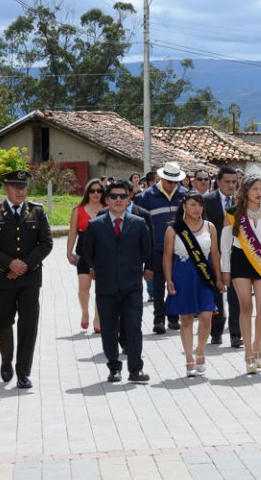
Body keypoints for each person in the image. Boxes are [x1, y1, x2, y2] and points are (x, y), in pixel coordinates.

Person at [0, 170, 53, 389]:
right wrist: (9, 263)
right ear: (6, 189)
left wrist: (24, 265)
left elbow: (46, 243)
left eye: (23, 187)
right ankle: (6, 359)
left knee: (28, 325)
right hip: (3, 278)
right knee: (0, 322)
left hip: (30, 279)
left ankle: (23, 372)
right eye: (15, 187)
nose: (20, 191)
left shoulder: (37, 211)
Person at [83, 180, 151, 383]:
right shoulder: (95, 225)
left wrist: (135, 268)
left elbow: (145, 250)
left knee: (133, 326)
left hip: (132, 285)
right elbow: (87, 252)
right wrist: (101, 268)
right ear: (107, 200)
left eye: (123, 196)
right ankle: (114, 367)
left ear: (129, 198)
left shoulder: (139, 223)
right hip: (106, 285)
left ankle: (135, 369)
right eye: (114, 196)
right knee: (109, 327)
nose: (118, 200)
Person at [220, 170, 261, 374]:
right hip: (240, 262)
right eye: (254, 188)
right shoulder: (233, 212)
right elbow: (226, 246)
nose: (258, 192)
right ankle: (248, 352)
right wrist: (225, 270)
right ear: (245, 190)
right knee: (245, 306)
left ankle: (257, 345)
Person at [163, 192, 224, 377]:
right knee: (187, 318)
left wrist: (219, 278)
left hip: (204, 277)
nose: (197, 209)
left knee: (207, 317)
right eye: (192, 205)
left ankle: (200, 350)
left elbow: (214, 254)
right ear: (184, 206)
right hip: (182, 276)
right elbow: (167, 256)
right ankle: (189, 357)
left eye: (199, 205)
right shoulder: (173, 229)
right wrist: (168, 279)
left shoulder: (210, 226)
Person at [134, 162, 188, 334]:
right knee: (158, 285)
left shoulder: (185, 196)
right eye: (169, 181)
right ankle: (159, 320)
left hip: (180, 248)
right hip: (156, 247)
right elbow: (140, 224)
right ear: (162, 178)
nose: (172, 185)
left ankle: (173, 317)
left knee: (177, 283)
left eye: (175, 181)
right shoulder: (146, 196)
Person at [204, 166, 243, 347]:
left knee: (236, 295)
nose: (231, 185)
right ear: (218, 182)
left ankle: (236, 334)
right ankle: (216, 331)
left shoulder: (243, 201)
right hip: (214, 252)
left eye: (234, 182)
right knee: (216, 294)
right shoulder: (206, 201)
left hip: (237, 254)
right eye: (227, 182)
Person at [66, 178, 106, 333]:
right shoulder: (78, 209)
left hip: (103, 252)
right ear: (87, 192)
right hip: (83, 251)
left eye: (99, 191)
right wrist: (69, 252)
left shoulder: (107, 208)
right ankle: (85, 313)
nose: (95, 193)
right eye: (92, 190)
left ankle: (98, 318)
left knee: (101, 288)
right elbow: (72, 232)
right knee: (84, 287)